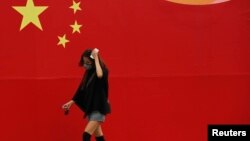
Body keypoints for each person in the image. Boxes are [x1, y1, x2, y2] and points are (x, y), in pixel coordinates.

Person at [62, 48, 111, 141]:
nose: (85, 64)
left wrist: (96, 56)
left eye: (88, 62)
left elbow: (100, 75)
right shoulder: (88, 73)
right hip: (91, 109)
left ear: (93, 61)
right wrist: (71, 102)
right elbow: (81, 89)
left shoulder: (103, 71)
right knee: (99, 137)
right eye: (84, 62)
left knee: (86, 135)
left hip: (99, 108)